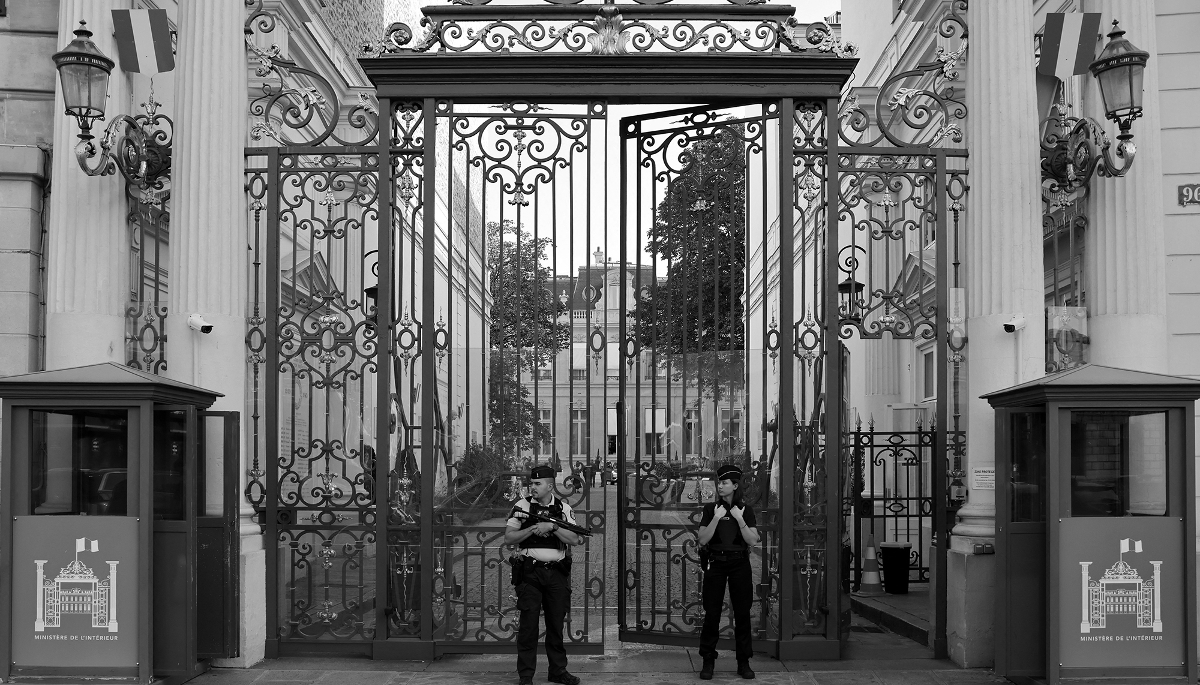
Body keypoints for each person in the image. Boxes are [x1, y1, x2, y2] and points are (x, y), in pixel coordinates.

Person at [505, 465, 583, 685]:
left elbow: (575, 539)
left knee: (555, 625)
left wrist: (552, 527)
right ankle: (526, 675)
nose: (533, 487)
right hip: (530, 573)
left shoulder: (563, 508)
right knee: (528, 627)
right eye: (532, 483)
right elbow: (509, 538)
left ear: (550, 486)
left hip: (556, 573)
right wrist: (532, 529)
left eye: (538, 484)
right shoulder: (521, 506)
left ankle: (558, 671)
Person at [696, 464, 760, 680]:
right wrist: (716, 518)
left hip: (739, 564)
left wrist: (739, 519)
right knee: (712, 613)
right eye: (719, 483)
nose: (720, 486)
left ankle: (743, 662)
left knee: (742, 613)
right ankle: (708, 660)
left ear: (735, 486)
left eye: (724, 483)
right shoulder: (710, 509)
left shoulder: (746, 511)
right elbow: (702, 539)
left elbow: (752, 540)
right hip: (716, 563)